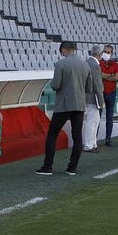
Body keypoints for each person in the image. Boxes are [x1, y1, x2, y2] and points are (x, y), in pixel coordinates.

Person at [37, 41, 96, 174]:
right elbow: (89, 88)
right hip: (79, 104)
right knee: (77, 136)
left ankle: (48, 166)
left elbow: (55, 85)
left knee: (52, 134)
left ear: (64, 50)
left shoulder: (60, 64)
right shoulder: (85, 65)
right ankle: (72, 167)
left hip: (63, 104)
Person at [82, 45, 104, 153]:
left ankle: (92, 143)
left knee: (95, 120)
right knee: (92, 121)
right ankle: (89, 145)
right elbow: (97, 84)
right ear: (100, 54)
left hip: (87, 95)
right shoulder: (94, 65)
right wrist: (101, 99)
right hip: (93, 96)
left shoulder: (86, 62)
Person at [99, 44, 118, 147]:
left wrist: (105, 76)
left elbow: (116, 78)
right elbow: (99, 75)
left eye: (108, 52)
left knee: (110, 117)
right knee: (97, 116)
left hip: (111, 92)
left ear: (111, 53)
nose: (106, 54)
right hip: (101, 92)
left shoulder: (115, 64)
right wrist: (110, 75)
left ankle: (108, 139)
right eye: (105, 52)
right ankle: (94, 139)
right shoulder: (99, 63)